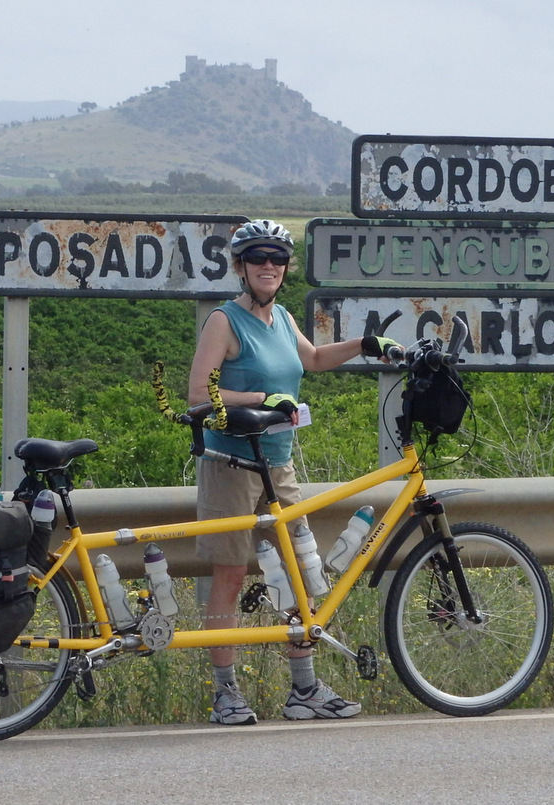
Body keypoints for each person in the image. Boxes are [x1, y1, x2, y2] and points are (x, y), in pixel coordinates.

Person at [188, 219, 399, 725]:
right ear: (239, 265)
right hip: (230, 464)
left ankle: (303, 689)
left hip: (276, 465)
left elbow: (316, 358)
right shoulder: (225, 321)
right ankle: (225, 694)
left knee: (300, 573)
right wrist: (262, 399)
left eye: (277, 259)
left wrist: (366, 345)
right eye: (257, 257)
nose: (268, 265)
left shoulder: (281, 317)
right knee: (232, 574)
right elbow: (199, 395)